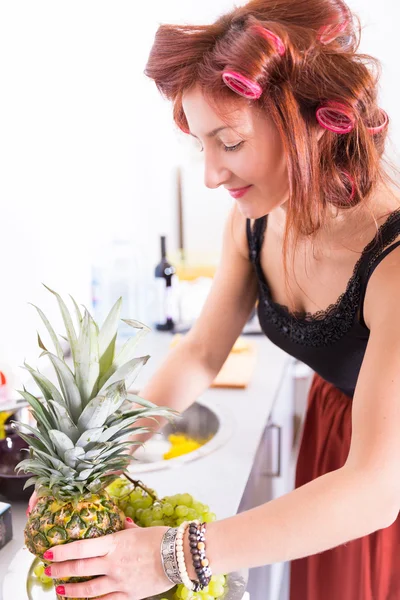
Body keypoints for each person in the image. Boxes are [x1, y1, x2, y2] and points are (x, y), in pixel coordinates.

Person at [28, 0, 400, 598]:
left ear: (306, 122)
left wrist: (174, 557)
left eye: (227, 142)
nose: (210, 174)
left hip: (379, 473)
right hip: (337, 446)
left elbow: (377, 492)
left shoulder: (395, 265)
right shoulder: (255, 222)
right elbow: (202, 353)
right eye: (202, 145)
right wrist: (100, 458)